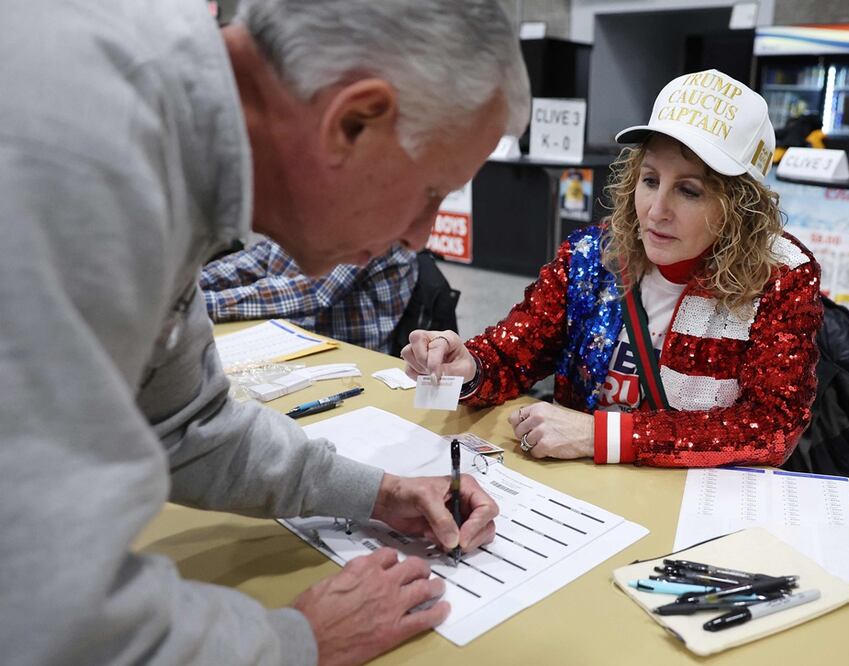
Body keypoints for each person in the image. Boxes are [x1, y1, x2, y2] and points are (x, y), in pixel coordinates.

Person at [0, 1, 529, 665]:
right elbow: (43, 615)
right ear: (353, 121)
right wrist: (292, 642)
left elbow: (184, 424)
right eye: (431, 190)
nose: (421, 237)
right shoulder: (87, 149)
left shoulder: (163, 120)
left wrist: (379, 493)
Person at [404, 69, 822, 469]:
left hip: (692, 506)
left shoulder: (780, 277)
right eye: (651, 179)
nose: (656, 212)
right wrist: (471, 365)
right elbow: (517, 351)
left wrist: (602, 435)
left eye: (689, 190)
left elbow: (772, 426)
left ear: (740, 207)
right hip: (583, 492)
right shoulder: (592, 254)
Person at [201, 239, 418, 351]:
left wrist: (197, 303)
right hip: (290, 344)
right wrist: (183, 287)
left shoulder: (377, 228)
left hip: (348, 363)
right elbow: (250, 262)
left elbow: (311, 292)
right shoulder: (312, 215)